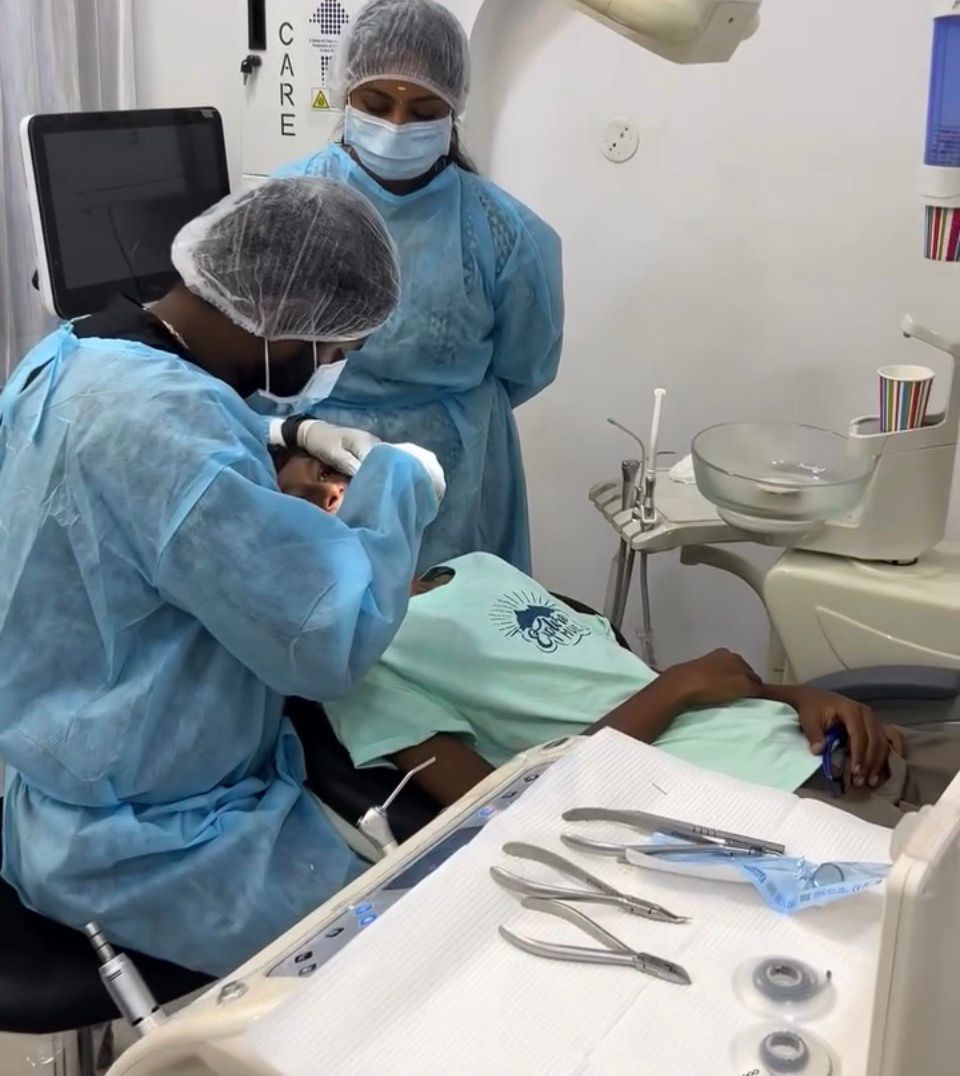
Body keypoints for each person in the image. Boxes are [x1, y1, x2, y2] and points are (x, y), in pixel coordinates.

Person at [0, 177, 446, 977]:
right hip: (151, 839)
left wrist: (281, 434)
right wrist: (397, 484)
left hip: (50, 786)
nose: (330, 367)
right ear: (281, 322)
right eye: (335, 352)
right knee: (400, 965)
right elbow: (324, 635)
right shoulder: (176, 434)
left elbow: (147, 480)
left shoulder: (75, 351)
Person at [321, 552, 960, 827]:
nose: (336, 490)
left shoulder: (477, 568)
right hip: (774, 807)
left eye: (339, 469)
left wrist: (794, 698)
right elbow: (505, 813)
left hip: (831, 746)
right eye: (305, 491)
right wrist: (677, 687)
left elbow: (633, 685)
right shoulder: (360, 665)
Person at [275, 0, 565, 574]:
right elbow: (251, 354)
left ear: (453, 110)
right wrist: (300, 437)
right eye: (377, 104)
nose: (397, 126)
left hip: (458, 472)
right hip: (316, 462)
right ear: (346, 95)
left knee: (454, 628)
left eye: (424, 108)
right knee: (331, 632)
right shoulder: (286, 206)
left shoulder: (507, 233)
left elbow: (525, 367)